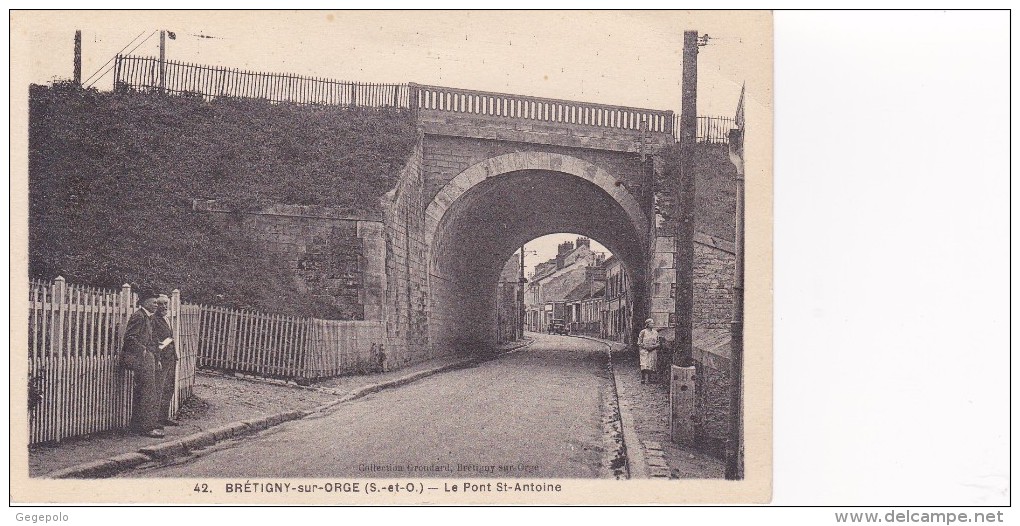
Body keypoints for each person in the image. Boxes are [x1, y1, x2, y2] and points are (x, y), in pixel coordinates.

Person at [121, 294, 164, 438]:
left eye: (157, 303)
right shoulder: (138, 316)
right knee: (147, 392)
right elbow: (129, 338)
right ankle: (146, 428)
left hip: (147, 358)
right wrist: (143, 350)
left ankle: (138, 426)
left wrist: (156, 357)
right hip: (140, 359)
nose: (156, 305)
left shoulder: (148, 317)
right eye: (153, 302)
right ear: (144, 302)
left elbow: (151, 340)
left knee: (145, 391)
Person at [151, 294, 180, 428]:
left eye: (166, 304)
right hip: (162, 359)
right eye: (161, 304)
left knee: (169, 388)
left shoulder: (167, 319)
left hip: (171, 358)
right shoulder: (154, 320)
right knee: (159, 389)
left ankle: (163, 417)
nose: (164, 307)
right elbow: (154, 341)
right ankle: (155, 420)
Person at [637, 318, 660, 384]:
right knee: (644, 364)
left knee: (651, 365)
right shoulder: (643, 332)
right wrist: (645, 347)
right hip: (644, 351)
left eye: (653, 323)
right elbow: (639, 342)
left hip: (653, 350)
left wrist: (654, 346)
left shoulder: (655, 332)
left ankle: (650, 379)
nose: (653, 324)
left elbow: (658, 342)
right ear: (647, 324)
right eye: (651, 323)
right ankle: (643, 378)